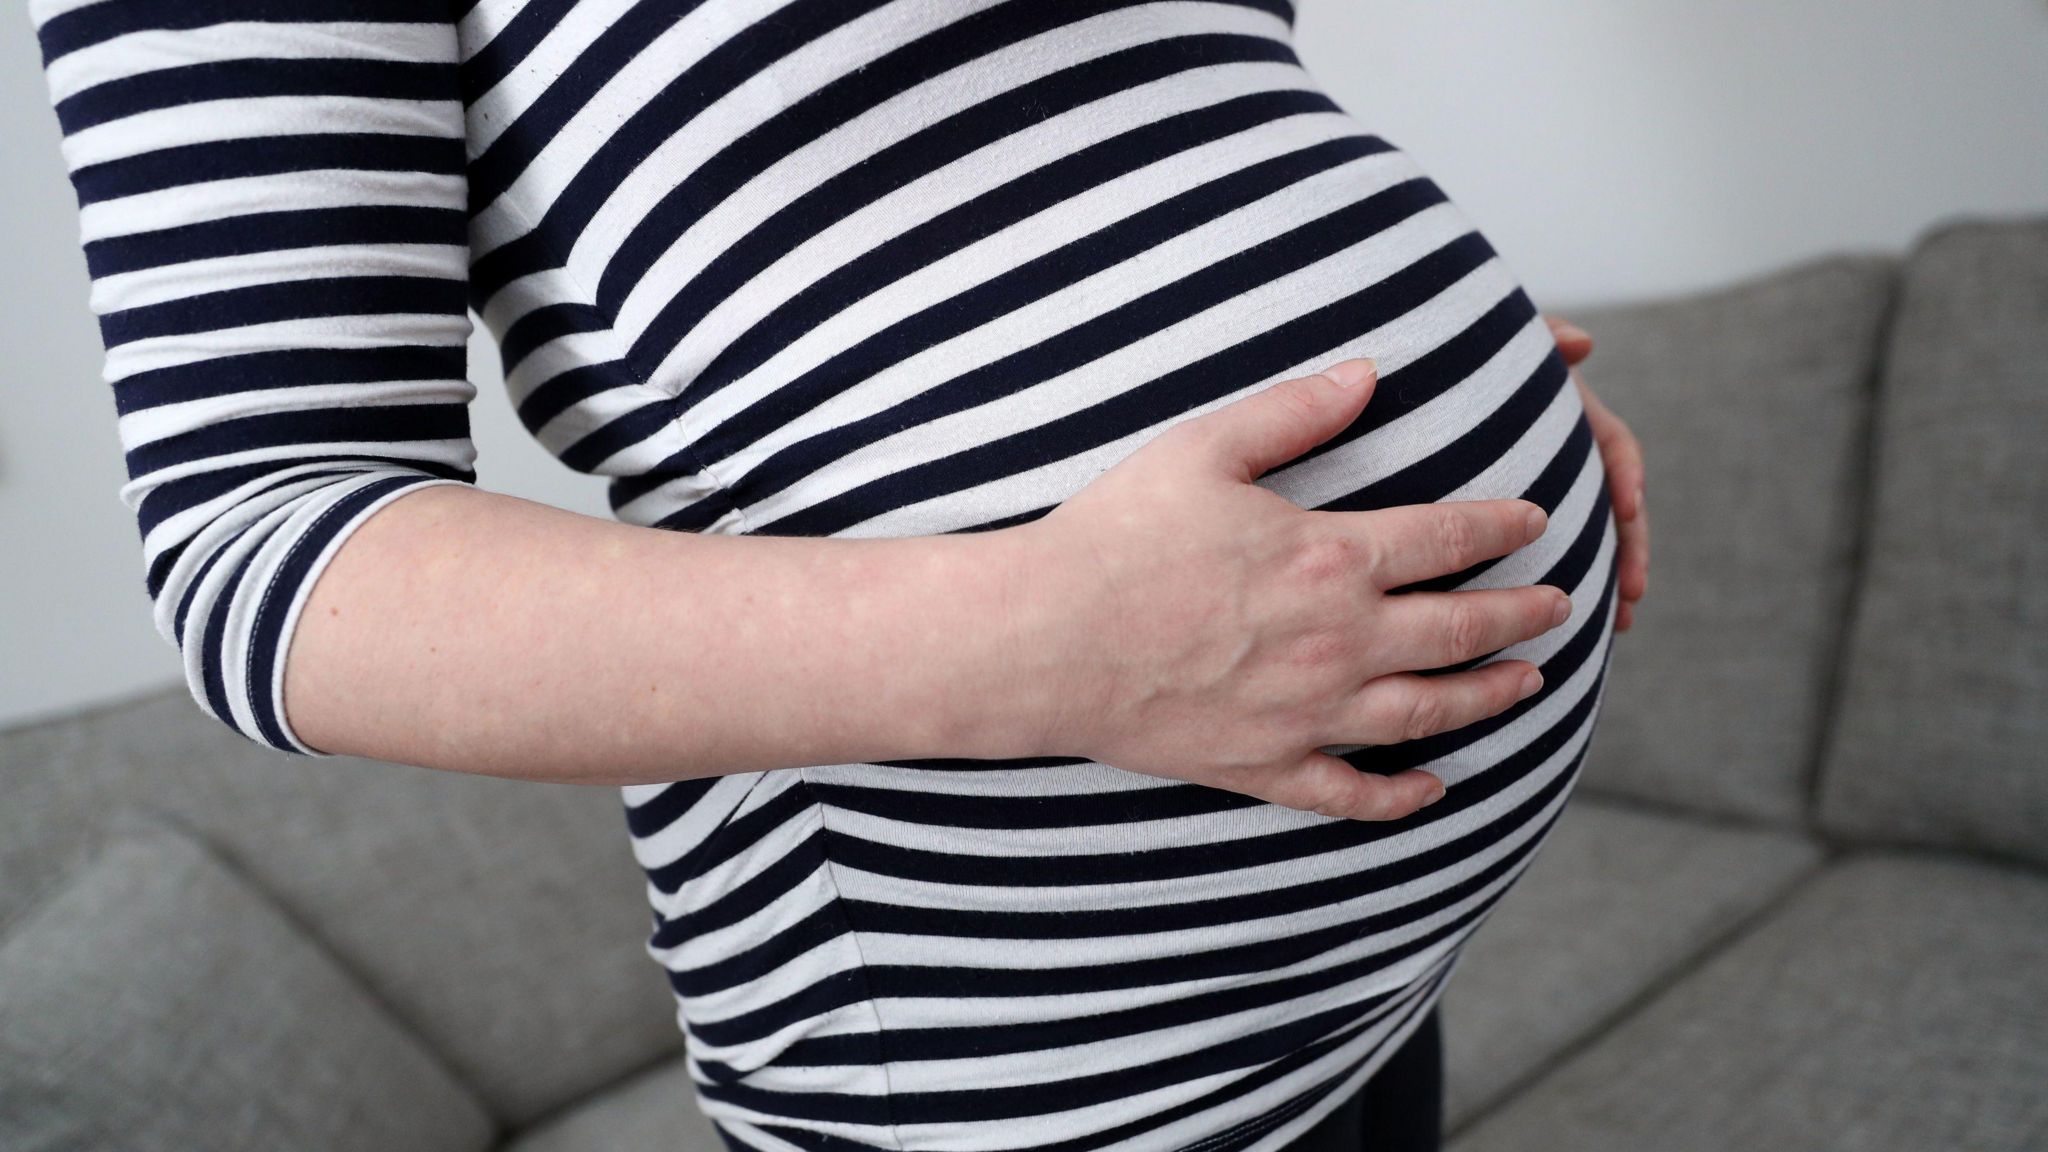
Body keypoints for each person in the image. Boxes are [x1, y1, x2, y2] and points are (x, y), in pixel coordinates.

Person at [25, 1, 1650, 1149]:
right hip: (1008, 1035)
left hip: (1362, 977)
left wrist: (1453, 371)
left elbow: (1165, 103)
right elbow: (264, 559)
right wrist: (1059, 640)